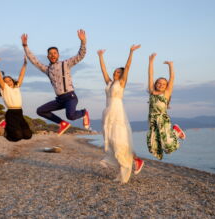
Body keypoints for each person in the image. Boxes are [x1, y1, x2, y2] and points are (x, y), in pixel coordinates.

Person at [21, 29, 90, 135]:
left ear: (58, 55)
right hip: (60, 100)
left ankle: (84, 113)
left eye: (54, 53)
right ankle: (62, 123)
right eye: (50, 54)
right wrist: (25, 46)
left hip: (70, 97)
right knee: (40, 111)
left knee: (70, 116)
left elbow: (80, 55)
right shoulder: (47, 69)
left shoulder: (65, 64)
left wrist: (83, 42)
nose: (52, 55)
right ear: (48, 56)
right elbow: (34, 61)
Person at [97, 45, 144, 184]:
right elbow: (103, 71)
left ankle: (129, 165)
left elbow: (127, 67)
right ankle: (130, 161)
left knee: (119, 141)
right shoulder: (110, 83)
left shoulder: (122, 82)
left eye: (118, 72)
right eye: (115, 72)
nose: (115, 74)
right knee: (111, 140)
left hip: (117, 112)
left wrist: (131, 52)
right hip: (108, 112)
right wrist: (100, 57)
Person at [147, 53, 186, 160]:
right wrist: (151, 62)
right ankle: (175, 133)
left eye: (164, 84)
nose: (161, 85)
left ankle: (176, 131)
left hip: (162, 120)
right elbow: (150, 75)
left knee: (169, 147)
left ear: (166, 86)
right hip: (152, 121)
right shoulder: (151, 91)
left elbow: (172, 78)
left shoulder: (166, 94)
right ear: (155, 84)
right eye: (159, 83)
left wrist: (170, 65)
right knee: (153, 147)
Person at [0, 53, 32, 142]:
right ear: (3, 84)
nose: (8, 82)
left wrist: (25, 64)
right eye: (6, 81)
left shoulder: (17, 87)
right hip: (11, 113)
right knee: (17, 137)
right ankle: (5, 132)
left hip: (19, 112)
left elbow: (21, 75)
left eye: (10, 80)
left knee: (28, 135)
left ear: (12, 81)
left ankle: (6, 125)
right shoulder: (5, 89)